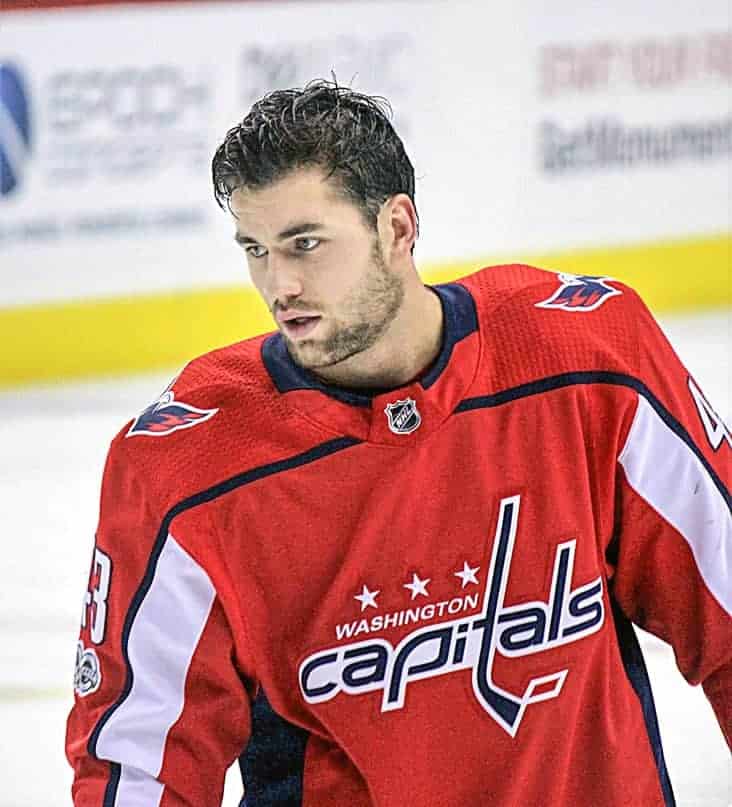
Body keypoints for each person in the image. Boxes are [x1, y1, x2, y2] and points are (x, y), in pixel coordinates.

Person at [66, 80, 730, 806]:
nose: (277, 284)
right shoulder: (188, 467)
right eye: (255, 249)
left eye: (305, 243)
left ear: (398, 227)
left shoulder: (585, 360)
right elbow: (137, 766)